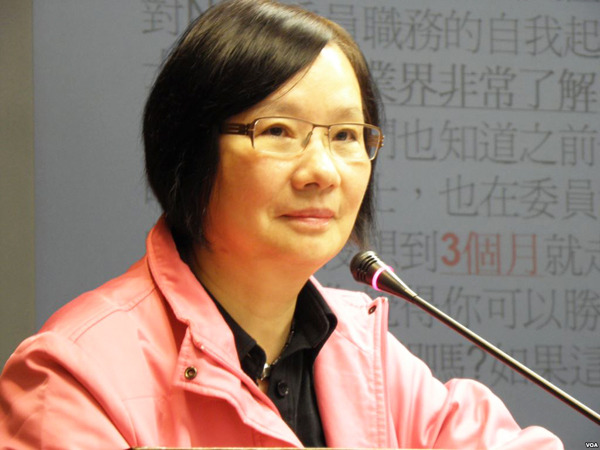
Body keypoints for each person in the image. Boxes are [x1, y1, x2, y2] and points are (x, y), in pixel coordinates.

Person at [0, 1, 563, 448]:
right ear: (187, 152)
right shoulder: (74, 376)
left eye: (346, 136)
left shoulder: (362, 350)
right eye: (276, 131)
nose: (322, 171)